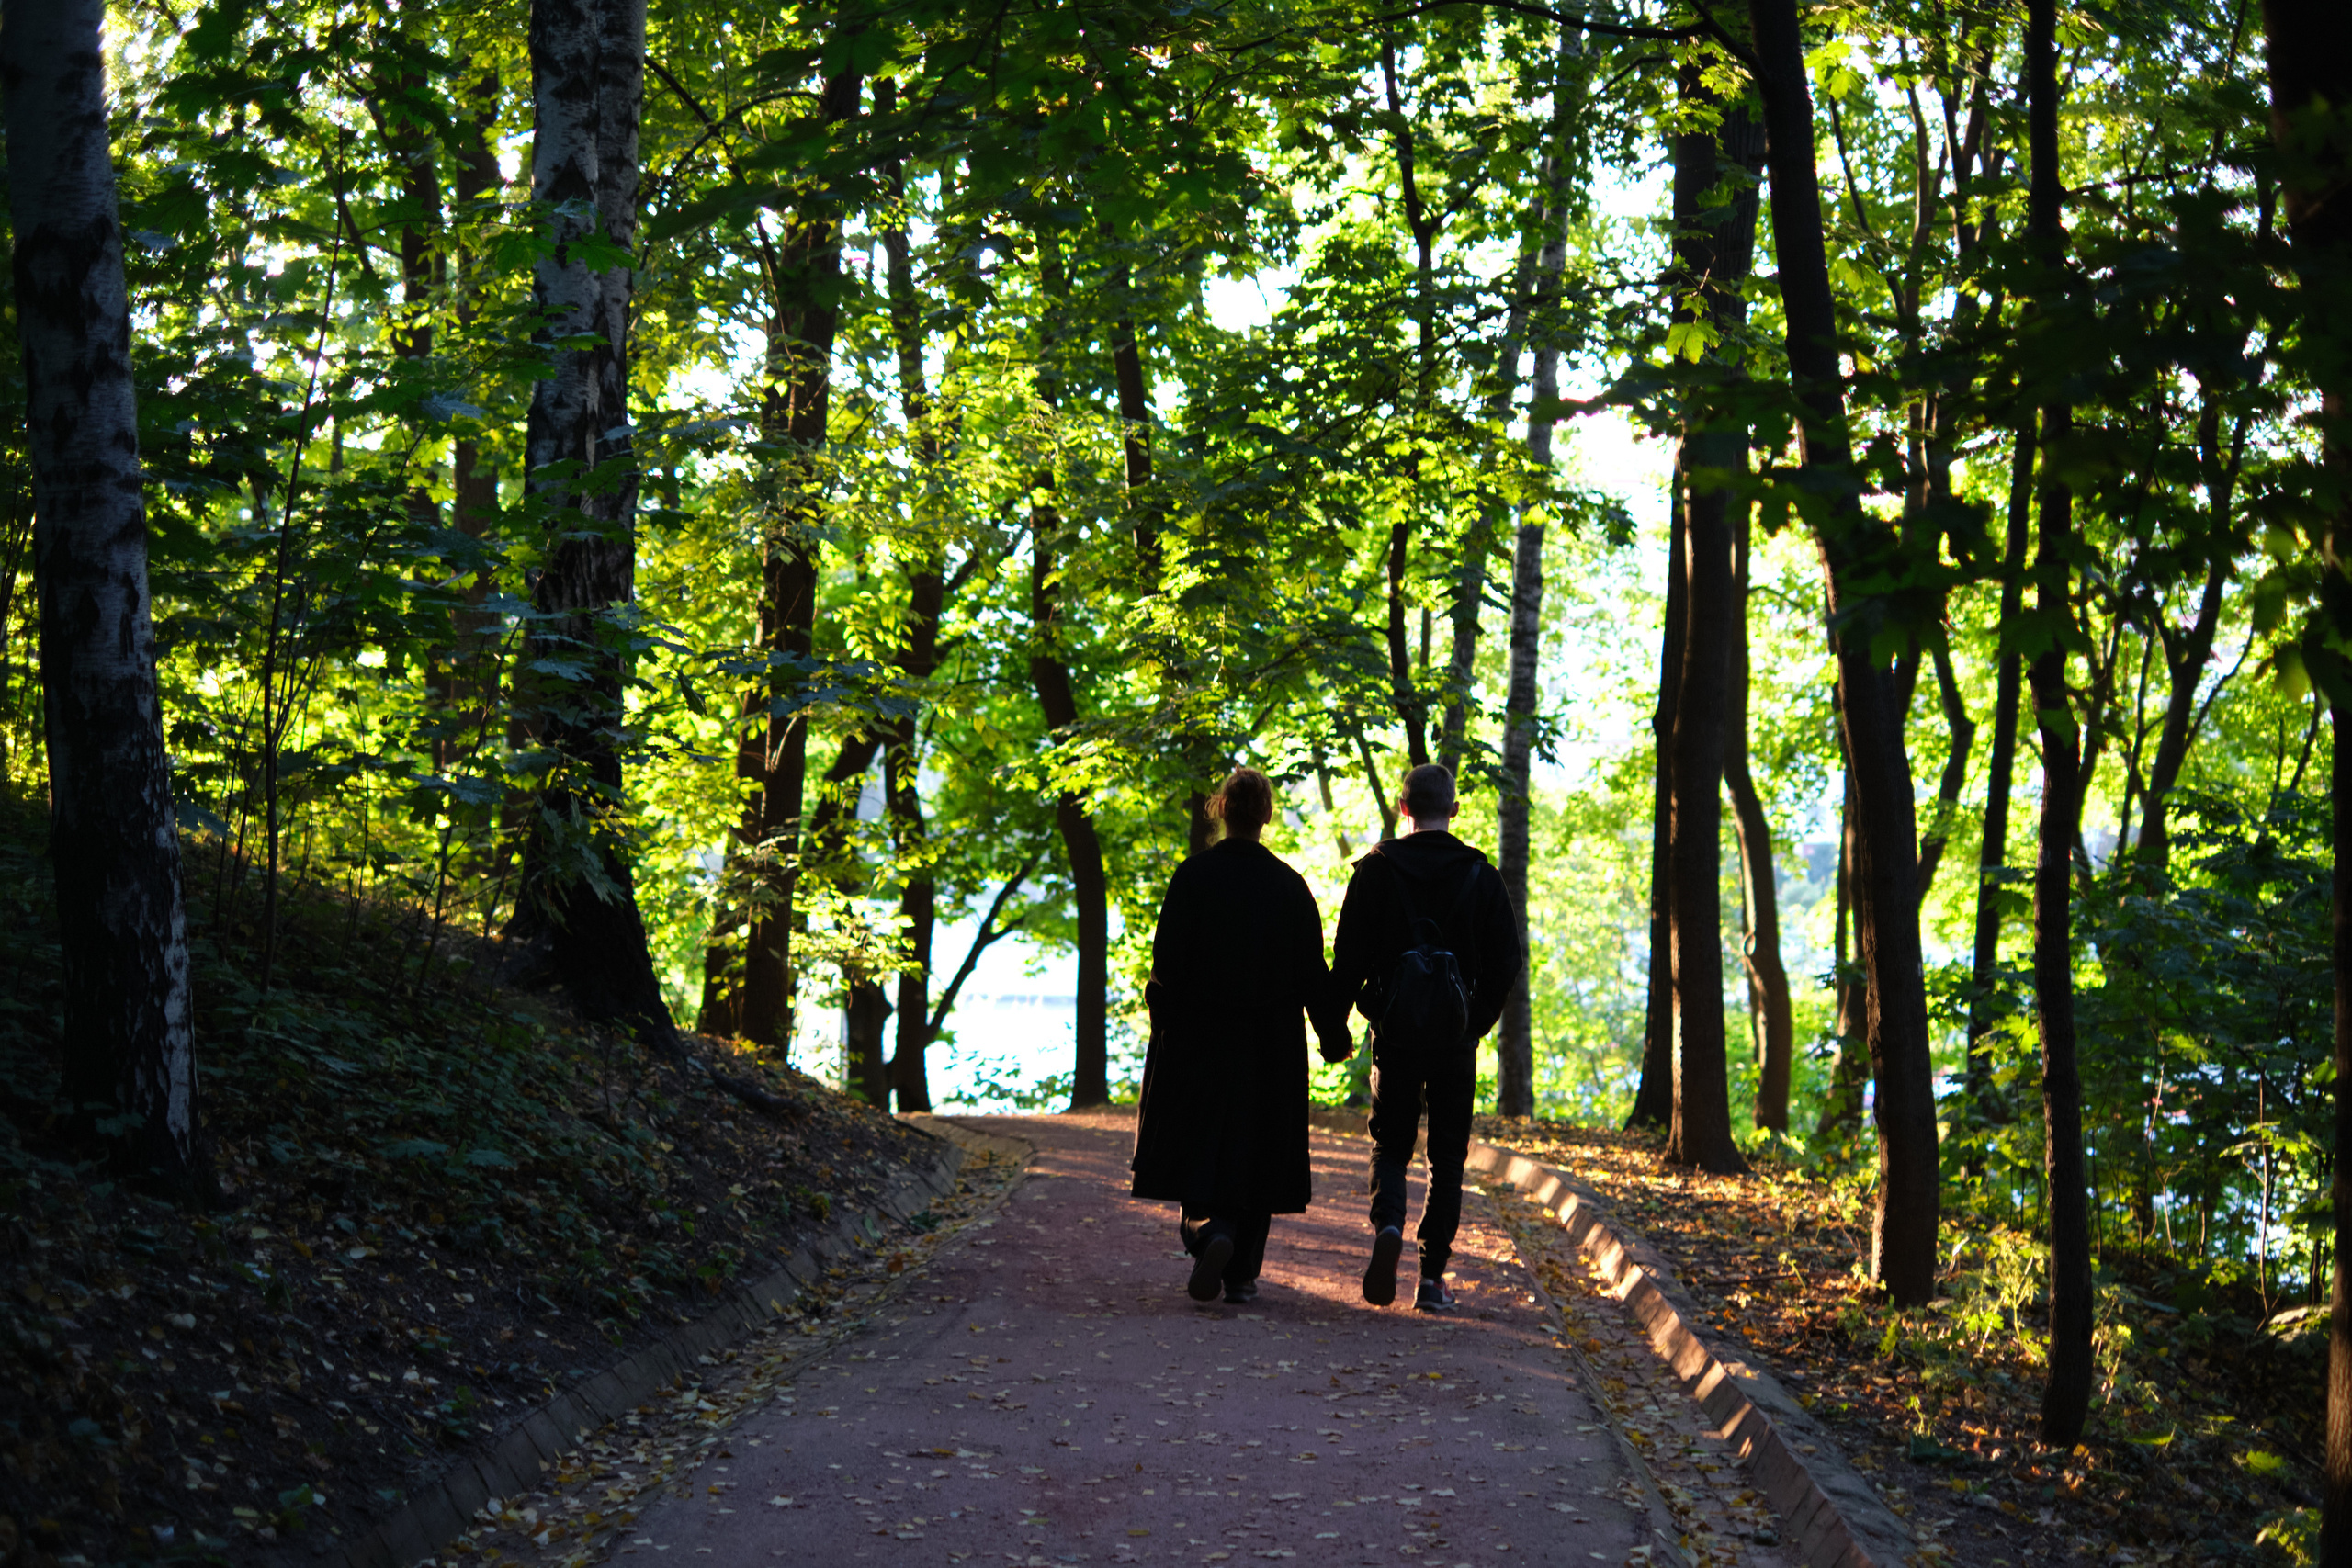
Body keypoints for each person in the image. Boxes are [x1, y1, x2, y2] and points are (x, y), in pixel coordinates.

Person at [1132, 768, 1355, 1303]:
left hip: (1199, 1039)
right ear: (1266, 815)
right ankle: (1244, 1272)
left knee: (1199, 1145)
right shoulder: (1290, 887)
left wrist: (1165, 1023)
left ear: (1221, 810)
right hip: (1270, 1044)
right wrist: (1332, 1035)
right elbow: (1311, 975)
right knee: (1257, 1148)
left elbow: (1167, 966)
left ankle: (1208, 1231)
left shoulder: (1192, 877)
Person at [1323, 762, 1521, 1310]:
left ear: (1403, 807)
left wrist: (1333, 1027)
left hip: (1396, 1037)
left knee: (1390, 1143)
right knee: (1447, 1159)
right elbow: (1509, 961)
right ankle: (1431, 1278)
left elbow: (1347, 962)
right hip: (1455, 1043)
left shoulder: (1374, 871)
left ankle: (1388, 1223)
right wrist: (1475, 1020)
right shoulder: (1481, 875)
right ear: (1454, 810)